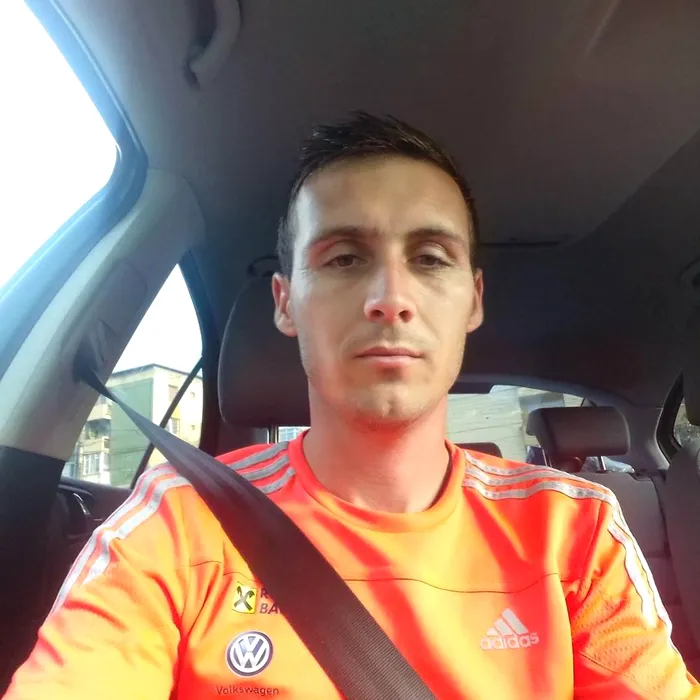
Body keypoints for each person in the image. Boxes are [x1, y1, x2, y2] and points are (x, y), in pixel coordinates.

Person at [6, 113, 699, 699]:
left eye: (430, 258)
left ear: (474, 300)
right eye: (343, 258)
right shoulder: (179, 522)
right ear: (285, 303)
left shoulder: (575, 531)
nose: (390, 298)